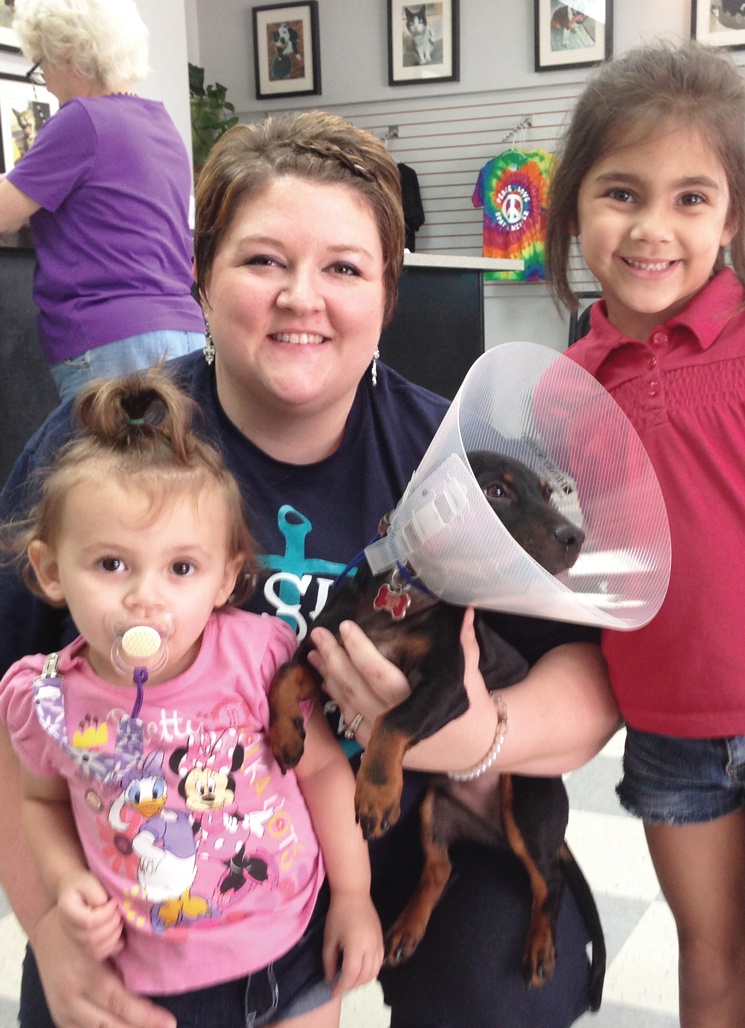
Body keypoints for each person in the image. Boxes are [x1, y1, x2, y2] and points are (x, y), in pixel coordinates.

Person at [0, 110, 620, 1028]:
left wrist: (473, 736)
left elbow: (592, 687)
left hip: (397, 818)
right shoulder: (106, 450)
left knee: (508, 986)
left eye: (343, 266)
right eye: (261, 261)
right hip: (168, 848)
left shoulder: (455, 458)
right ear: (200, 277)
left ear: (388, 292)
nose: (302, 296)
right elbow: (13, 721)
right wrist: (43, 918)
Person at [0, 368, 383, 1027]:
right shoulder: (44, 697)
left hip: (289, 958)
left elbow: (320, 767)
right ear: (51, 570)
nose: (146, 596)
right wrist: (64, 887)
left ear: (225, 576)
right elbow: (39, 802)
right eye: (111, 563)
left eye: (181, 568)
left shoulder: (257, 655)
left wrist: (354, 892)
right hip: (143, 981)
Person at [545, 40, 745, 1027]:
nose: (651, 227)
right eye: (620, 192)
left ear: (731, 214)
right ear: (572, 207)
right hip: (666, 736)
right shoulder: (563, 385)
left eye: (689, 198)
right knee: (711, 955)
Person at [0, 0, 204, 402]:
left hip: (111, 343)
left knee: (109, 471)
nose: (46, 81)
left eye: (41, 64)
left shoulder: (81, 120)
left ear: (70, 55)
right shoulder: (162, 123)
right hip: (183, 332)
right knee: (171, 468)